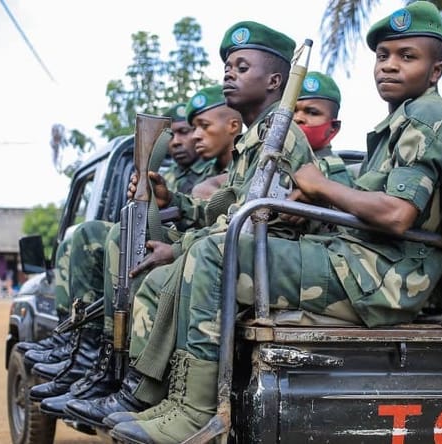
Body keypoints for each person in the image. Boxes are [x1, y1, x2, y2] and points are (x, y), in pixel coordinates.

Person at [107, 3, 442, 442]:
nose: (389, 66)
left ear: (436, 69)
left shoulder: (425, 116)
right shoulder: (401, 120)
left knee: (216, 254)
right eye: (383, 56)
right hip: (358, 261)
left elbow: (399, 215)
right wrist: (302, 202)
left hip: (383, 277)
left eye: (407, 56)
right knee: (206, 251)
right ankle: (172, 400)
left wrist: (317, 187)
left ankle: (196, 414)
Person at [63, 21, 316, 433]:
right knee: (137, 252)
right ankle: (132, 386)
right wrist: (173, 202)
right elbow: (226, 210)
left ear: (274, 80)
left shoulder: (280, 137)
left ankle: (156, 397)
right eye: (227, 67)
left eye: (241, 66)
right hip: (237, 252)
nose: (228, 74)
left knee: (170, 274)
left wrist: (179, 250)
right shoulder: (257, 139)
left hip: (262, 261)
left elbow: (253, 225)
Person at [27, 89, 243, 417]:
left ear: (234, 126)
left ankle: (122, 371)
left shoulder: (228, 174)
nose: (191, 137)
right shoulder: (186, 175)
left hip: (202, 263)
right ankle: (89, 355)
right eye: (186, 129)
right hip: (192, 256)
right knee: (92, 233)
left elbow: (224, 221)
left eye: (198, 127)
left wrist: (176, 231)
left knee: (121, 240)